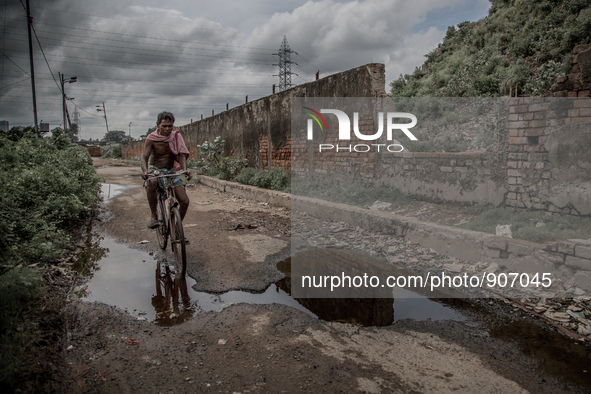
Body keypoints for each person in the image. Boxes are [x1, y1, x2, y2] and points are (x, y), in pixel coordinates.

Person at [141, 111, 192, 232]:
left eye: (170, 126)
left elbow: (181, 155)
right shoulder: (151, 138)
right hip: (156, 170)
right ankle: (154, 215)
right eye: (164, 126)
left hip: (171, 170)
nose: (167, 129)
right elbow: (144, 157)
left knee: (184, 201)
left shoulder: (176, 136)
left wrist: (185, 171)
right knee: (152, 182)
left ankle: (176, 227)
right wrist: (145, 171)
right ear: (158, 125)